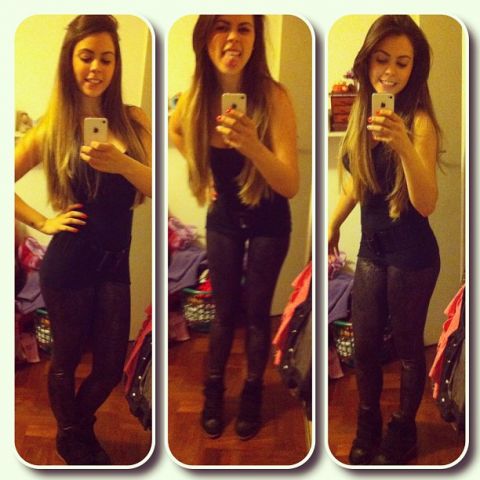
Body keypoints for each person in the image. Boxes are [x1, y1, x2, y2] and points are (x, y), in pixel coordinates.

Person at [15, 15, 152, 465]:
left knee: (110, 366)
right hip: (69, 262)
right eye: (86, 56)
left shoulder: (132, 119)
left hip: (115, 261)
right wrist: (41, 221)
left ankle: (74, 427)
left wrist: (122, 163)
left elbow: (156, 186)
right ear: (69, 61)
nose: (96, 67)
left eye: (106, 59)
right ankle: (73, 439)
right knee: (66, 360)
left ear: (116, 65)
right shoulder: (54, 127)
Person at [169, 15, 299, 440]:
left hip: (269, 220)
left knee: (257, 314)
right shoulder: (195, 98)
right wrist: (202, 168)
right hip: (223, 217)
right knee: (223, 313)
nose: (232, 38)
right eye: (221, 26)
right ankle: (212, 392)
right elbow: (174, 130)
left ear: (255, 38)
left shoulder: (274, 97)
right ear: (204, 36)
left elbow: (290, 184)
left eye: (244, 28)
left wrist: (252, 146)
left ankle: (252, 393)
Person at [328, 15, 441, 465]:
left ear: (415, 68)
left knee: (410, 346)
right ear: (366, 62)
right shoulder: (361, 115)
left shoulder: (420, 122)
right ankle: (368, 421)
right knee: (365, 345)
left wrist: (404, 145)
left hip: (414, 254)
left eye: (402, 62)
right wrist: (333, 223)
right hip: (372, 250)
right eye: (381, 59)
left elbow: (426, 203)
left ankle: (404, 427)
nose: (390, 71)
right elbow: (358, 183)